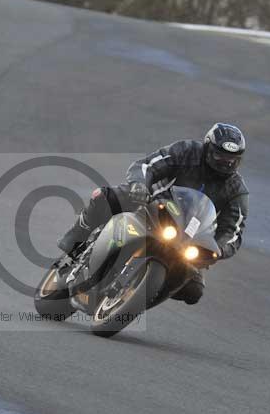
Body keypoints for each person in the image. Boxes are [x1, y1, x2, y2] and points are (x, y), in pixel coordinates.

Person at [58, 123, 249, 305]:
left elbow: (233, 231)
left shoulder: (236, 189)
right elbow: (147, 165)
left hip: (187, 239)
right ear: (208, 148)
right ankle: (77, 241)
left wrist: (219, 249)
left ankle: (135, 299)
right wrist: (140, 185)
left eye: (232, 159)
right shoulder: (187, 151)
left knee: (193, 290)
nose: (225, 163)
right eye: (219, 157)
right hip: (151, 205)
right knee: (107, 197)